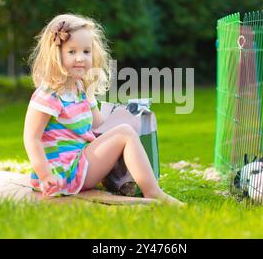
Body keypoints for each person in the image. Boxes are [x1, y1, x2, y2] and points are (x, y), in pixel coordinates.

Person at [23, 13, 184, 205]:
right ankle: (154, 192)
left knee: (125, 130)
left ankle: (140, 183)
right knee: (124, 133)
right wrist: (46, 175)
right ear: (56, 54)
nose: (80, 58)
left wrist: (129, 114)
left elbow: (100, 125)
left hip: (79, 163)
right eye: (72, 52)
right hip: (64, 173)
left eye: (86, 51)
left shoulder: (81, 88)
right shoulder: (49, 94)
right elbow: (31, 137)